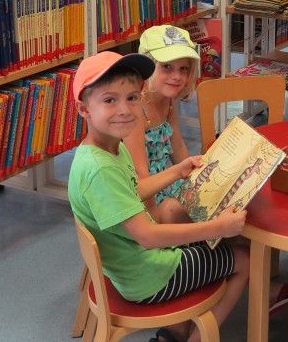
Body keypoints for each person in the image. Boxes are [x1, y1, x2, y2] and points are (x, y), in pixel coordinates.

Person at [67, 51, 249, 342]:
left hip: (134, 266)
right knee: (242, 259)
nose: (125, 109)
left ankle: (175, 333)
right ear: (83, 109)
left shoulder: (108, 147)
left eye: (132, 98)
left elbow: (129, 194)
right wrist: (220, 227)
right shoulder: (101, 169)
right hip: (150, 277)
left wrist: (177, 171)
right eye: (110, 100)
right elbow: (148, 237)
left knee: (197, 232)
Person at [123, 24, 200, 224]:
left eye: (184, 69)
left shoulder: (167, 100)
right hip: (140, 197)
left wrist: (197, 181)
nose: (177, 76)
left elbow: (178, 146)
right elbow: (140, 175)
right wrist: (155, 217)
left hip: (163, 183)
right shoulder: (135, 109)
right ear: (147, 66)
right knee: (184, 211)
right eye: (167, 66)